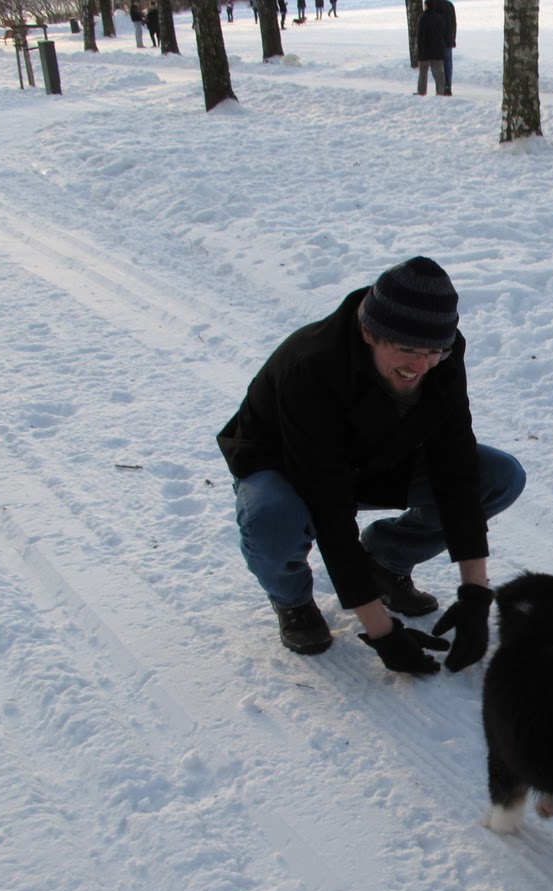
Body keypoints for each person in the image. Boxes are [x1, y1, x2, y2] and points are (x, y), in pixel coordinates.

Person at [217, 258, 526, 675]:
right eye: (408, 351)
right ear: (368, 333)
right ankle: (292, 600)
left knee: (499, 476)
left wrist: (475, 596)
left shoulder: (442, 353)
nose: (421, 367)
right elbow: (329, 507)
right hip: (287, 465)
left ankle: (385, 561)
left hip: (380, 454)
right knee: (273, 520)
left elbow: (455, 466)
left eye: (434, 352)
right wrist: (383, 634)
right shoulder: (309, 365)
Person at [415, 0, 449, 96]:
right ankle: (440, 91)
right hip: (437, 50)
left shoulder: (423, 18)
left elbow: (420, 36)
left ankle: (421, 91)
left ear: (426, 5)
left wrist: (420, 51)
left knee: (423, 74)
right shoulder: (439, 18)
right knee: (439, 73)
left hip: (425, 51)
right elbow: (443, 33)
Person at [439, 0, 456, 95]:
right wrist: (453, 37)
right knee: (448, 63)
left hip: (438, 40)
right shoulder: (450, 5)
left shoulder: (433, 5)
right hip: (449, 39)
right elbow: (454, 23)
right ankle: (447, 85)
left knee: (438, 64)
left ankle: (442, 86)